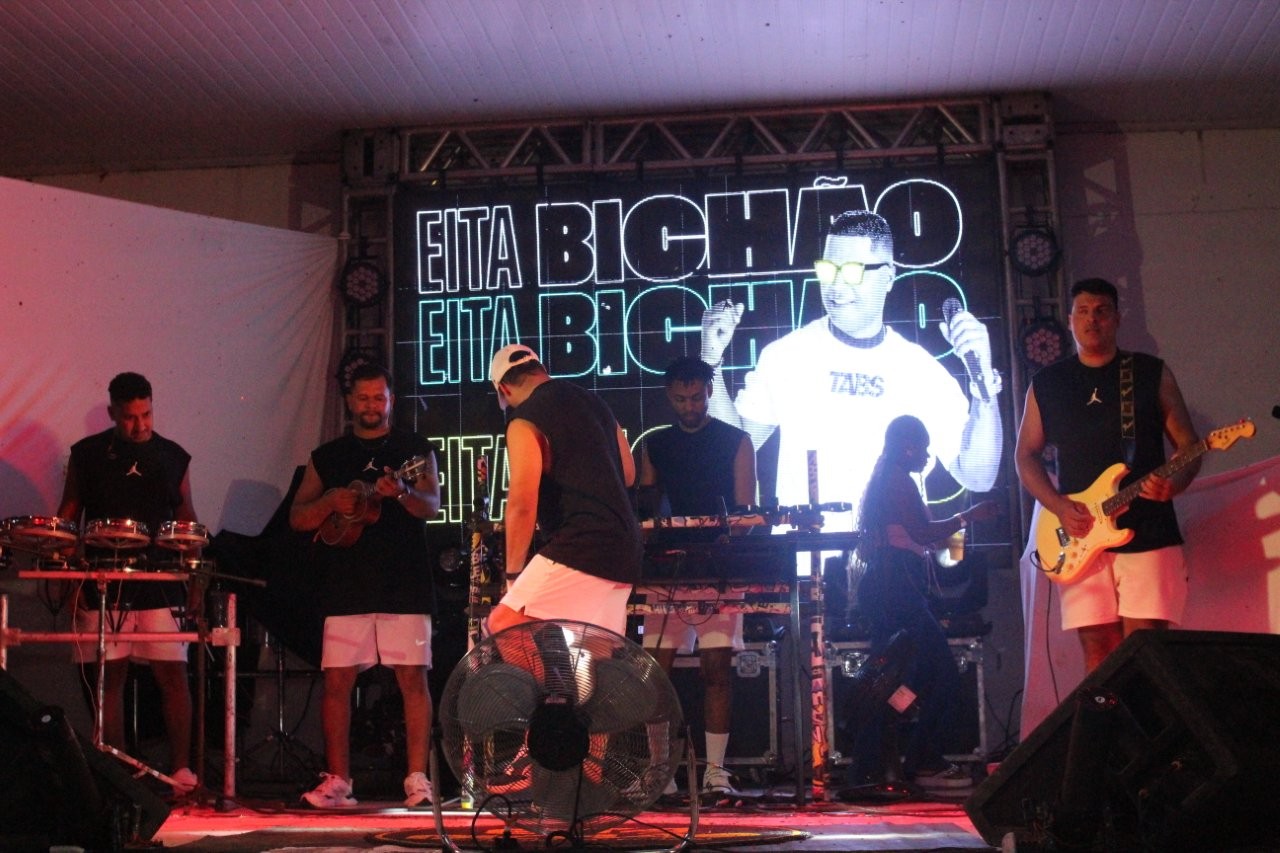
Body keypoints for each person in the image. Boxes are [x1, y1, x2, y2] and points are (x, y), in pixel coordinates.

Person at [699, 209, 1002, 522]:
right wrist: (711, 359)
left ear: (888, 275)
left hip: (895, 551)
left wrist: (983, 386)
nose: (837, 285)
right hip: (807, 549)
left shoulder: (920, 371)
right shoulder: (786, 355)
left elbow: (979, 475)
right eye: (828, 269)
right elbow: (731, 452)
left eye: (853, 271)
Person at [1014, 278, 1200, 673]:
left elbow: (1188, 446)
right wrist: (1058, 506)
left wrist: (1174, 484)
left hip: (1148, 531)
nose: (1092, 320)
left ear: (1117, 318)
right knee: (1098, 653)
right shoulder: (1047, 384)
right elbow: (1025, 456)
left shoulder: (1149, 373)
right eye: (1083, 312)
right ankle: (1106, 717)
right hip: (1081, 534)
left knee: (1145, 651)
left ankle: (1147, 716)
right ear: (1070, 320)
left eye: (1101, 311)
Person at [290, 363, 442, 809]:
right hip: (345, 583)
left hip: (404, 580)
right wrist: (328, 501)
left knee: (412, 677)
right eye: (363, 397)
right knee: (337, 681)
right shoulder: (328, 456)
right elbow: (298, 518)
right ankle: (339, 781)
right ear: (349, 401)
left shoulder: (414, 449)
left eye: (379, 397)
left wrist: (403, 494)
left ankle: (417, 780)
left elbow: (432, 505)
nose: (372, 405)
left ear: (391, 400)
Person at [56, 371, 199, 796]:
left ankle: (182, 772)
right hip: (103, 579)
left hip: (159, 579)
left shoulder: (173, 456)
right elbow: (68, 515)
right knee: (108, 677)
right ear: (112, 413)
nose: (140, 425)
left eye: (147, 415)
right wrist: (68, 572)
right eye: (130, 418)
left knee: (173, 675)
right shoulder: (87, 454)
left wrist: (195, 575)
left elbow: (187, 519)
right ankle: (116, 769)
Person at [848, 415, 997, 791]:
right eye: (924, 448)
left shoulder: (890, 478)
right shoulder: (897, 479)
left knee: (899, 679)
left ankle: (880, 761)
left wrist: (958, 533)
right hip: (895, 588)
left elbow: (926, 541)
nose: (928, 456)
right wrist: (968, 516)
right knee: (940, 673)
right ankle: (918, 760)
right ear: (907, 447)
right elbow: (922, 533)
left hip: (891, 587)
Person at [636, 356, 756, 798]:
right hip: (667, 569)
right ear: (669, 397)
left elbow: (745, 512)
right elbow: (647, 509)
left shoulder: (736, 441)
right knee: (654, 674)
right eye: (680, 399)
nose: (689, 406)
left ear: (709, 392)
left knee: (717, 670)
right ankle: (660, 771)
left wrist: (722, 542)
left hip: (718, 567)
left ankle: (715, 772)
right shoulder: (655, 445)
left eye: (696, 398)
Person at [486, 343, 642, 638]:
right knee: (597, 652)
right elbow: (629, 473)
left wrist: (513, 577)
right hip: (626, 548)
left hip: (581, 545)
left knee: (504, 624)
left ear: (504, 389)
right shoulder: (595, 403)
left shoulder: (524, 419)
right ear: (542, 370)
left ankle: (546, 675)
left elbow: (522, 503)